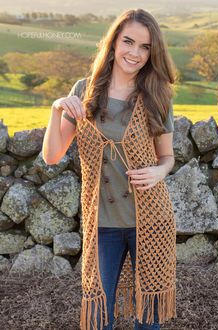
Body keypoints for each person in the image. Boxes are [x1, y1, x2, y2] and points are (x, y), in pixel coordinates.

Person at [42, 8, 177, 330]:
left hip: (151, 219)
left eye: (145, 47)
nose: (135, 53)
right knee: (100, 313)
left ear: (152, 52)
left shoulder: (158, 95)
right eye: (128, 41)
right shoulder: (84, 92)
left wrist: (160, 172)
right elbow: (51, 155)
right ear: (114, 41)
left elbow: (167, 158)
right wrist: (55, 108)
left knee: (148, 318)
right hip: (102, 223)